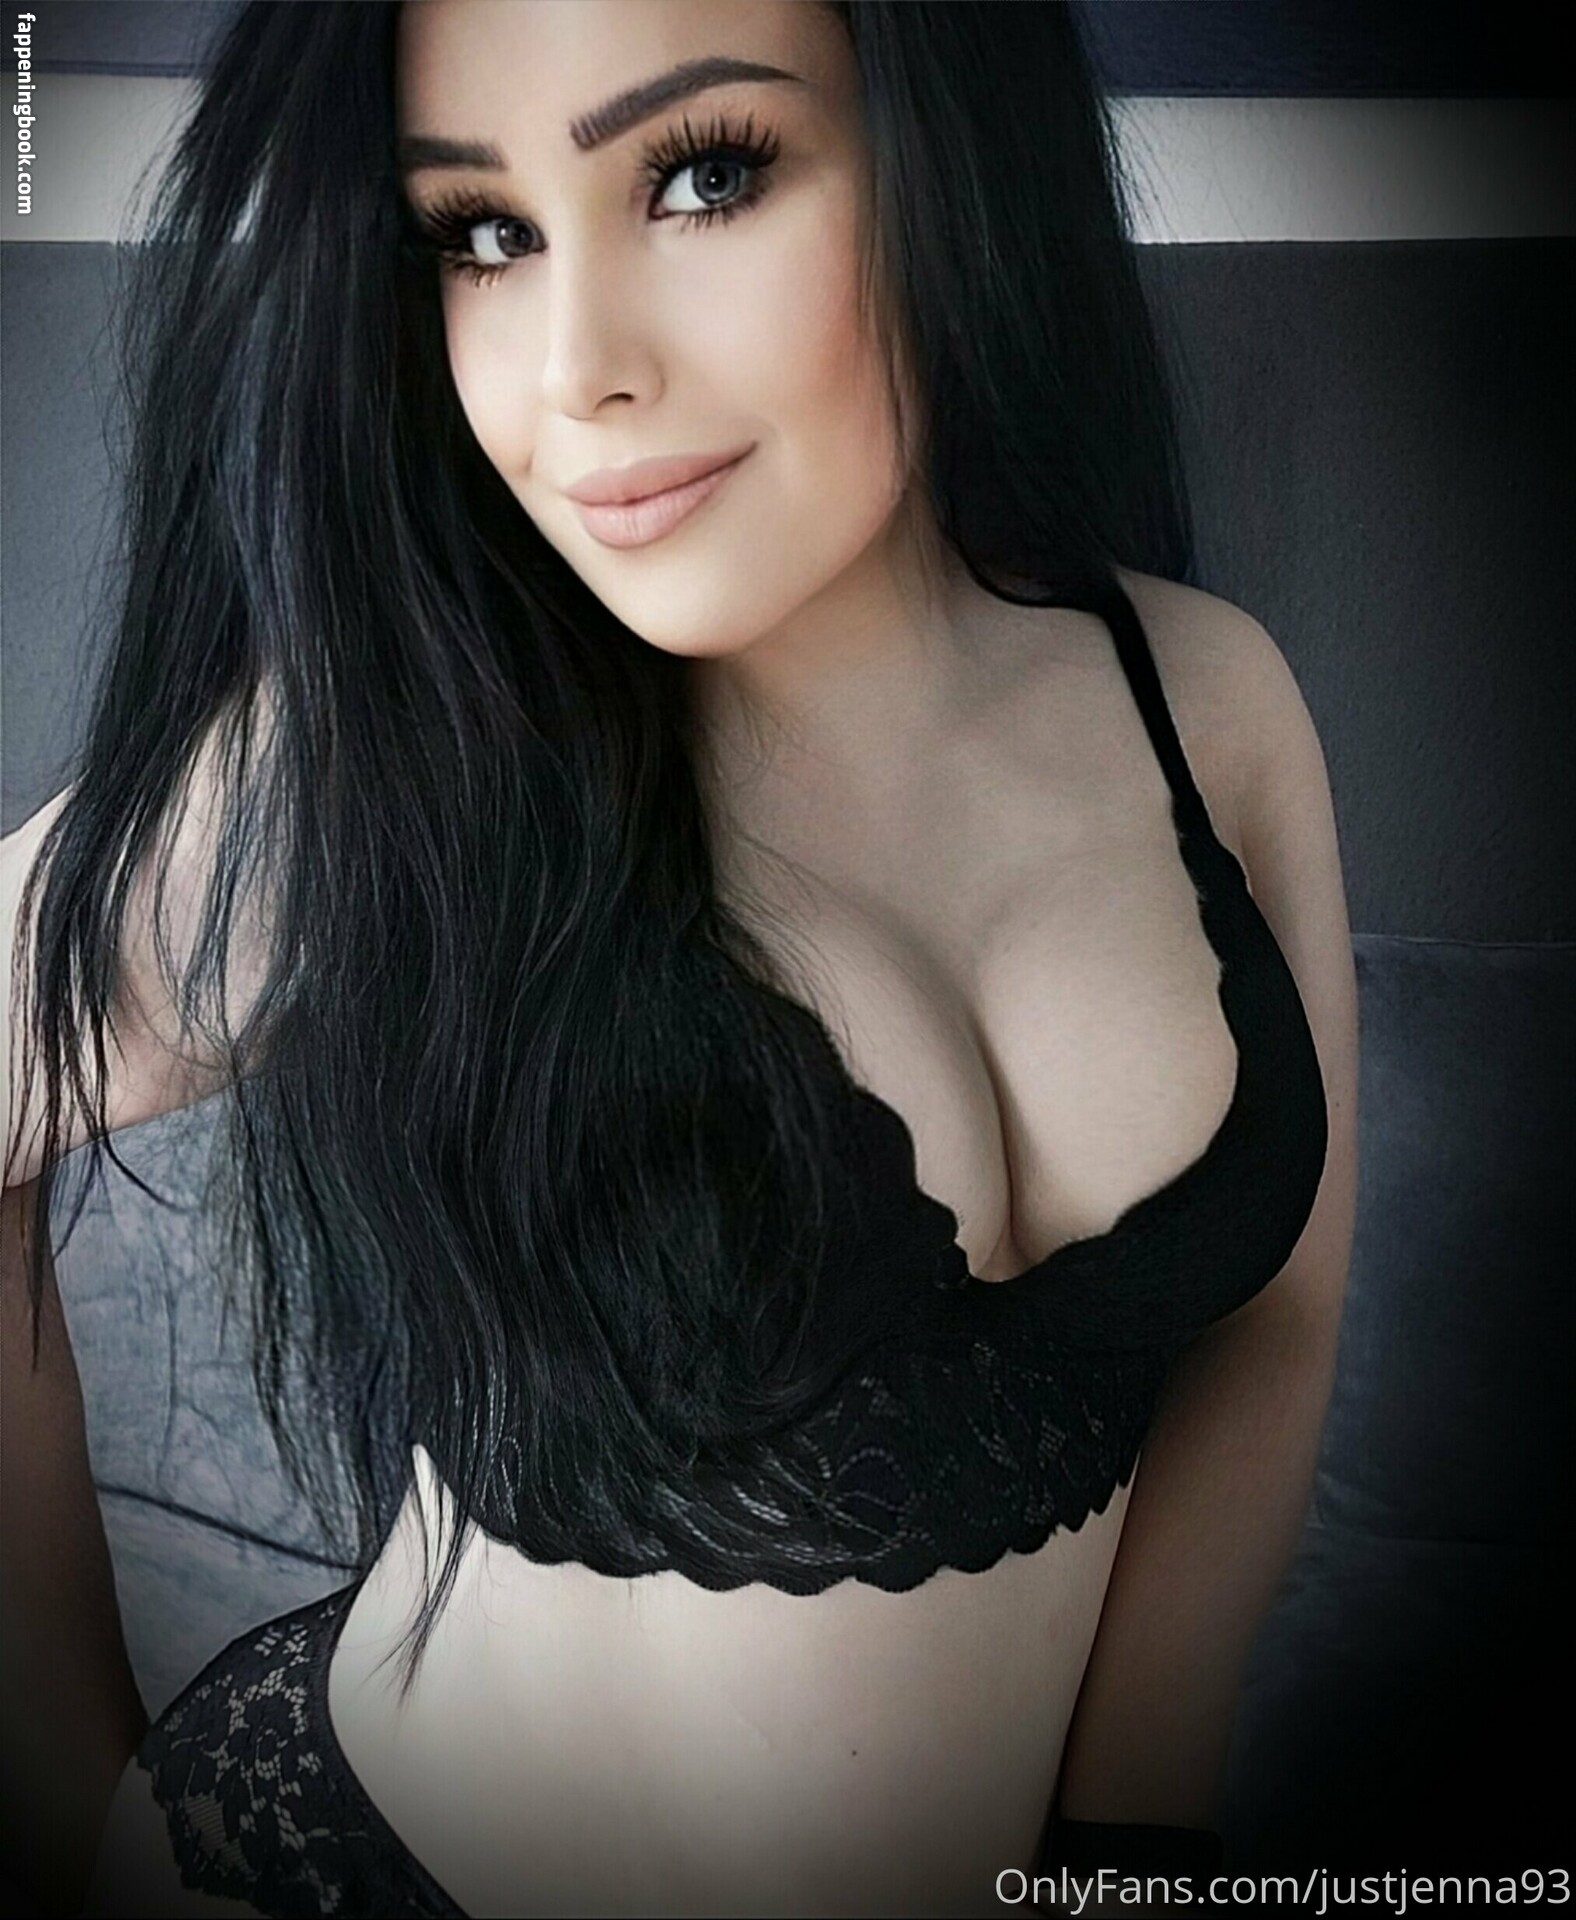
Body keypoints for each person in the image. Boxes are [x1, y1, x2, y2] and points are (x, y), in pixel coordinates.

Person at [1, 2, 1357, 1914]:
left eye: (706, 177)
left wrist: (1138, 1854)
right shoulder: (393, 763)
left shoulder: (1204, 703)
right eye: (483, 233)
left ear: (948, 155)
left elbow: (1271, 1326)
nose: (577, 371)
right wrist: (66, 1794)